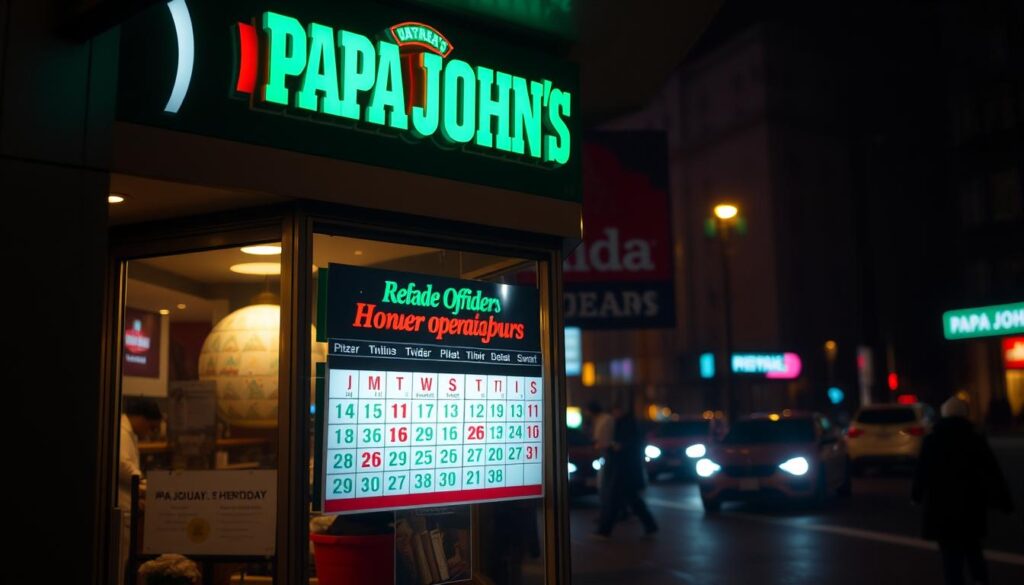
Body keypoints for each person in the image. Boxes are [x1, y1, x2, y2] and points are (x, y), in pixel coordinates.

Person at [911, 396, 1013, 585]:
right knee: (973, 548)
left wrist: (916, 496)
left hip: (941, 506)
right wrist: (1004, 501)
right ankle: (980, 580)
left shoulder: (932, 440)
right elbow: (992, 472)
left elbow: (921, 472)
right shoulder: (974, 439)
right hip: (971, 505)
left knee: (950, 556)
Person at [595, 406, 658, 537]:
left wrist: (612, 446)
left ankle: (604, 530)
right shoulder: (630, 425)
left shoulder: (624, 426)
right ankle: (650, 525)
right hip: (627, 471)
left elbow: (622, 446)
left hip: (621, 470)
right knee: (632, 500)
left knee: (614, 499)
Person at [119, 396, 162, 584]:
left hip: (126, 506)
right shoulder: (122, 432)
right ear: (142, 418)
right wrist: (142, 482)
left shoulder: (128, 432)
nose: (149, 433)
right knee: (120, 562)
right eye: (151, 427)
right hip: (122, 510)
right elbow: (121, 464)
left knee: (123, 561)